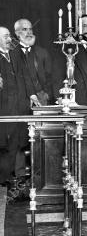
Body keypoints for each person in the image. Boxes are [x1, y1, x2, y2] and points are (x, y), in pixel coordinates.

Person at [0, 26, 40, 183]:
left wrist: (32, 94)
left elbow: (26, 76)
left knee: (19, 142)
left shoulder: (16, 55)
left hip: (20, 108)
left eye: (9, 36)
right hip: (3, 110)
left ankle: (18, 179)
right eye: (5, 37)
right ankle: (4, 180)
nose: (9, 39)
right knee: (4, 144)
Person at [53, 15, 87, 105]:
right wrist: (60, 99)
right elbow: (57, 75)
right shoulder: (69, 45)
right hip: (76, 100)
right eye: (85, 26)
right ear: (78, 28)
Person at [14, 18, 53, 105]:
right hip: (19, 99)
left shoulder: (42, 52)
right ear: (17, 33)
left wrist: (46, 94)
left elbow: (49, 76)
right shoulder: (11, 53)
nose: (29, 33)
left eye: (30, 29)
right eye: (24, 29)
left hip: (41, 98)